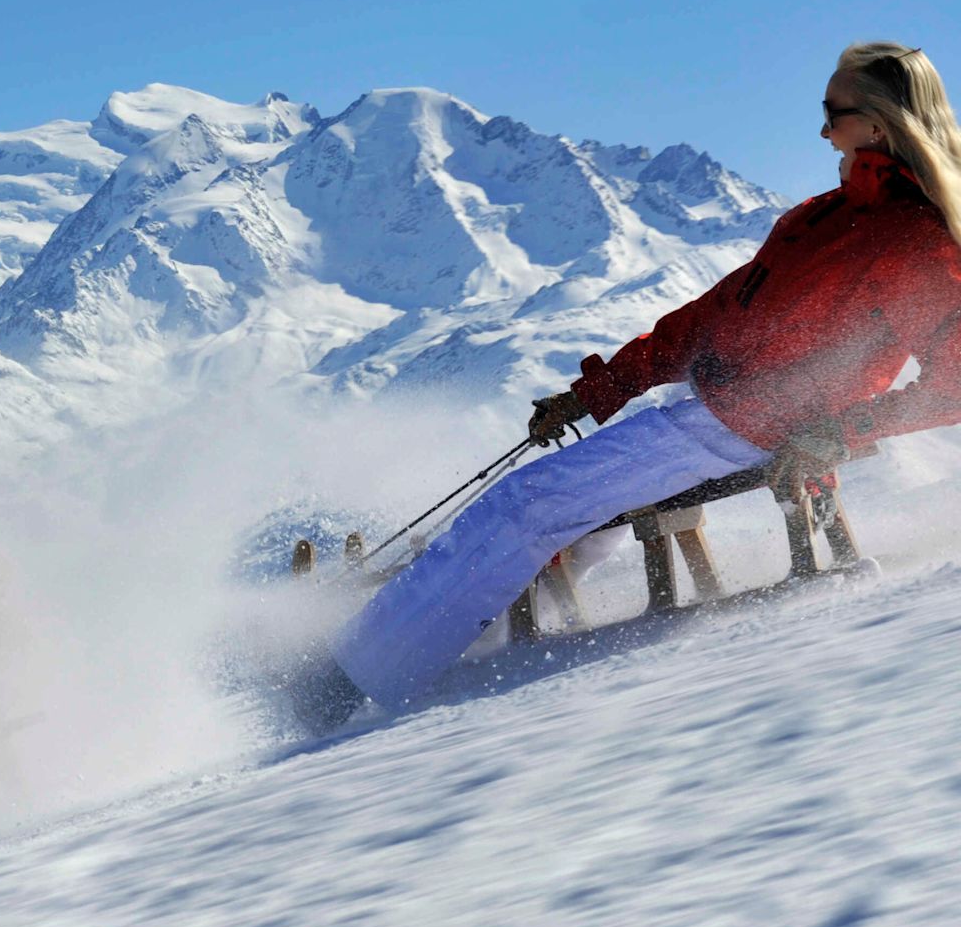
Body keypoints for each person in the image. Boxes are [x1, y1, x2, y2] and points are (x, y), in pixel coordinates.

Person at [293, 42, 961, 734]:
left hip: (749, 423)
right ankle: (463, 632)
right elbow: (714, 317)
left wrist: (841, 430)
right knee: (562, 501)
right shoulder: (826, 215)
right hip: (717, 406)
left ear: (879, 124)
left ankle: (347, 683)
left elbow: (955, 383)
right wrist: (600, 392)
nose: (822, 131)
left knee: (527, 503)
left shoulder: (912, 241)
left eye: (834, 113)